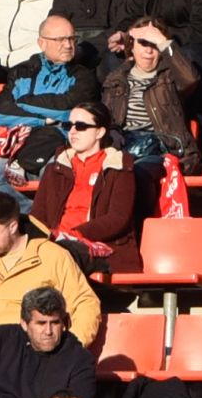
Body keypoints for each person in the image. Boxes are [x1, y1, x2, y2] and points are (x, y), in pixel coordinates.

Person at [0, 14, 102, 212]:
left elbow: (67, 111)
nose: (68, 45)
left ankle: (48, 221)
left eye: (72, 39)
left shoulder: (84, 75)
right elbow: (0, 112)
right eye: (60, 39)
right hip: (19, 145)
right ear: (41, 43)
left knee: (57, 175)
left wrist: (22, 103)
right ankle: (32, 212)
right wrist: (44, 120)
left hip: (60, 146)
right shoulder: (21, 72)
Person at [0, 192, 100, 346]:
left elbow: (84, 303)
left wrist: (73, 346)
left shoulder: (52, 255)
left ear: (13, 227)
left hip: (35, 349)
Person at [27, 102, 142, 275]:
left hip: (101, 247)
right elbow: (38, 216)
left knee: (59, 256)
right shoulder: (55, 168)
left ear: (100, 132)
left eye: (80, 126)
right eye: (68, 125)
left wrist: (76, 234)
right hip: (55, 243)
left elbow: (118, 218)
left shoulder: (119, 167)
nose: (72, 131)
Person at [102, 16, 202, 178]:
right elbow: (105, 117)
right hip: (123, 147)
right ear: (131, 47)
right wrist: (112, 131)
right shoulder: (116, 79)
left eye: (154, 45)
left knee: (137, 173)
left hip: (162, 150)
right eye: (143, 43)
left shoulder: (170, 77)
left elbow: (191, 79)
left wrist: (162, 40)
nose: (149, 51)